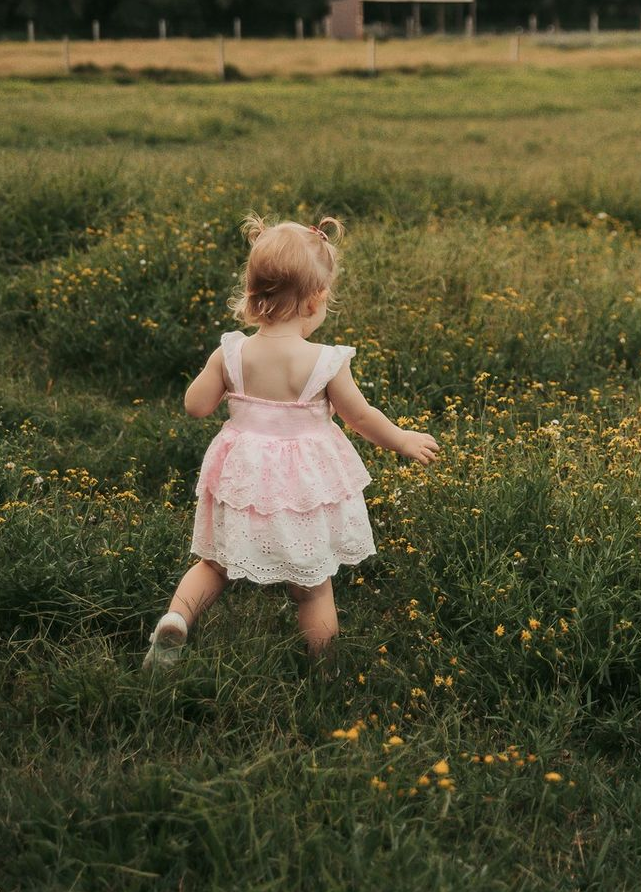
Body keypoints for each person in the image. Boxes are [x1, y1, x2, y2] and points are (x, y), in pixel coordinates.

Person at [143, 215, 439, 669]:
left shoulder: (232, 351)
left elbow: (195, 406)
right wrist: (401, 440)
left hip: (242, 476)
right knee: (313, 584)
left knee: (213, 564)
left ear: (252, 290)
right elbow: (359, 417)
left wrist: (217, 375)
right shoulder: (323, 361)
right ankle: (325, 668)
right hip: (300, 486)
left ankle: (176, 620)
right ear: (316, 300)